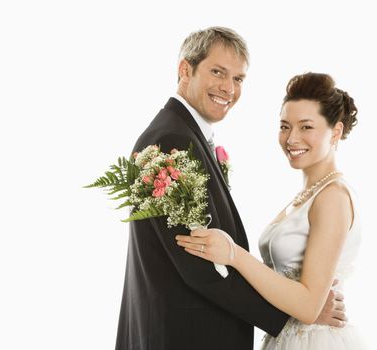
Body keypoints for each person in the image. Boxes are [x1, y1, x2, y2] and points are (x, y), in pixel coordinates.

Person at [116, 28, 346, 350]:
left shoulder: (183, 135)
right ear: (185, 70)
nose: (229, 88)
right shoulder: (172, 141)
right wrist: (296, 312)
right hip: (181, 337)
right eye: (218, 72)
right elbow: (201, 264)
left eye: (238, 79)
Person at [176, 72, 364, 349]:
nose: (292, 138)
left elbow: (310, 307)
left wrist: (234, 254)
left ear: (335, 131)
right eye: (285, 126)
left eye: (306, 127)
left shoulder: (333, 197)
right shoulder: (308, 196)